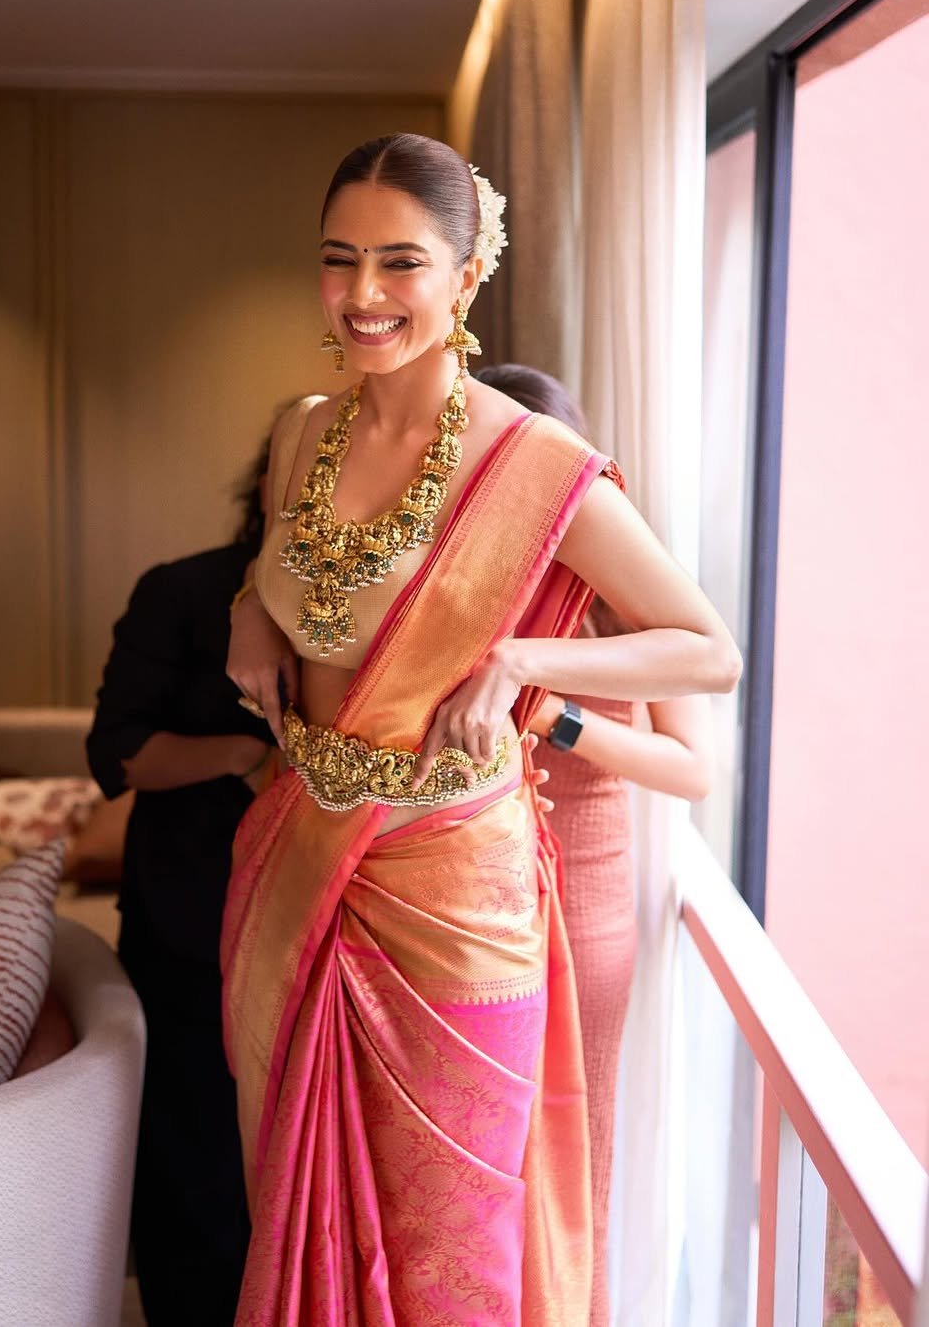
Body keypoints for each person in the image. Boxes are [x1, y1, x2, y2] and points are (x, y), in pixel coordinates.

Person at [224, 132, 740, 1325]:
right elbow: (304, 581)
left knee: (451, 1257)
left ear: (467, 275)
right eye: (338, 259)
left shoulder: (539, 464)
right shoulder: (305, 433)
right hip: (296, 857)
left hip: (454, 899)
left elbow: (707, 650)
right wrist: (248, 603)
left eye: (401, 262)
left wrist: (524, 659)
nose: (362, 296)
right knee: (299, 1217)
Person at [475, 362, 715, 1325]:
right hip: (470, 891)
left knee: (578, 1155)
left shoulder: (626, 589)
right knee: (486, 1158)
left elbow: (691, 768)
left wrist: (554, 717)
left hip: (586, 893)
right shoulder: (469, 581)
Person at [85, 448, 276, 1325]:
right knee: (190, 1164)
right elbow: (116, 753)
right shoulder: (183, 591)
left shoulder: (364, 600)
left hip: (313, 926)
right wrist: (244, 756)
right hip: (187, 916)